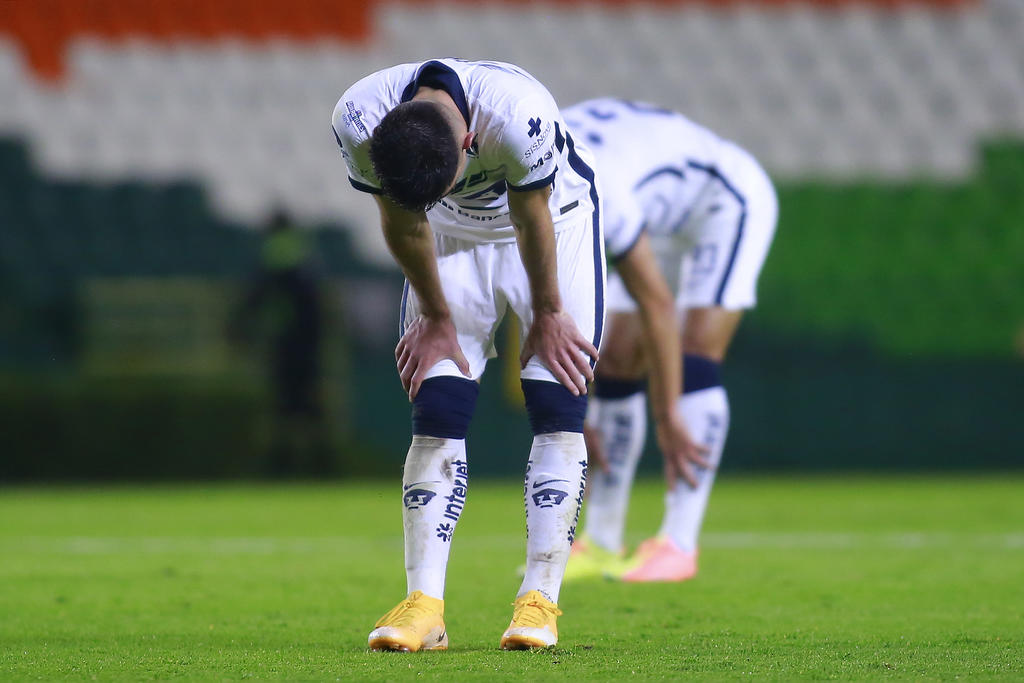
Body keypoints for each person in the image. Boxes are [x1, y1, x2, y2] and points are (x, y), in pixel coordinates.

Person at [331, 59, 605, 651]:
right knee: (437, 400)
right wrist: (434, 316)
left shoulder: (517, 114)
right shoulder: (358, 118)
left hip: (554, 224)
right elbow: (404, 223)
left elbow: (531, 216)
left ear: (471, 142)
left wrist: (549, 312)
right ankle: (423, 605)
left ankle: (539, 602)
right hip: (448, 236)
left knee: (556, 392)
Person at [561, 98, 778, 582]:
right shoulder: (533, 165)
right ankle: (602, 541)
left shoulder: (590, 187)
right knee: (616, 357)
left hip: (722, 203)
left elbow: (657, 306)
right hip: (656, 218)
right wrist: (573, 412)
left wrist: (667, 414)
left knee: (695, 354)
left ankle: (679, 544)